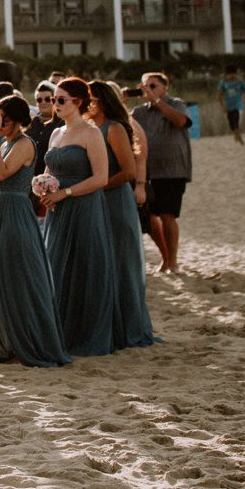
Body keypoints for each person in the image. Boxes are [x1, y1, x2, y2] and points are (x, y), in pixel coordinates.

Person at [0, 96, 70, 367]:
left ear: (17, 119)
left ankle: (28, 340)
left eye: (3, 119)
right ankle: (2, 341)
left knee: (19, 275)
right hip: (0, 209)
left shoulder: (25, 144)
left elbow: (1, 173)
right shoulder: (5, 142)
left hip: (16, 211)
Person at [40, 79, 116, 358]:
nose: (55, 105)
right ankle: (60, 331)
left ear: (79, 102)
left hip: (84, 207)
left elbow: (101, 178)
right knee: (58, 266)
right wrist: (44, 187)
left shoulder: (91, 133)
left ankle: (86, 333)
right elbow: (49, 170)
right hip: (58, 210)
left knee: (85, 266)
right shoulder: (56, 133)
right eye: (53, 99)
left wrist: (66, 192)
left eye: (61, 100)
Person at [88, 80, 155, 350]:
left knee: (121, 263)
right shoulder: (89, 129)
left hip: (115, 201)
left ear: (101, 101)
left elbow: (128, 171)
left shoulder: (114, 128)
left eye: (89, 98)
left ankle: (127, 326)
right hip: (96, 200)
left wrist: (98, 185)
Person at [132, 72, 193, 273]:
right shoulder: (140, 111)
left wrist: (157, 101)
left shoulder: (176, 103)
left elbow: (181, 121)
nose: (148, 89)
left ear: (165, 87)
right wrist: (121, 98)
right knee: (148, 215)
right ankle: (165, 258)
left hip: (173, 170)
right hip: (147, 171)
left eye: (153, 85)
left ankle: (173, 262)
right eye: (145, 86)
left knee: (168, 215)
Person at [25, 84, 61, 179]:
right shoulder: (30, 123)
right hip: (30, 179)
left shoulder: (61, 124)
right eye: (39, 100)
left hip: (53, 178)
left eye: (47, 99)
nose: (43, 102)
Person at [216, 67, 245, 146]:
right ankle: (236, 135)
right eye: (229, 74)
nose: (231, 76)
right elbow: (219, 95)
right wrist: (222, 106)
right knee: (231, 124)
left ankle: (240, 138)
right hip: (228, 106)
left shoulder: (240, 82)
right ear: (226, 75)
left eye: (233, 74)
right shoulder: (223, 83)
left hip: (238, 106)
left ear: (236, 74)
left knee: (236, 121)